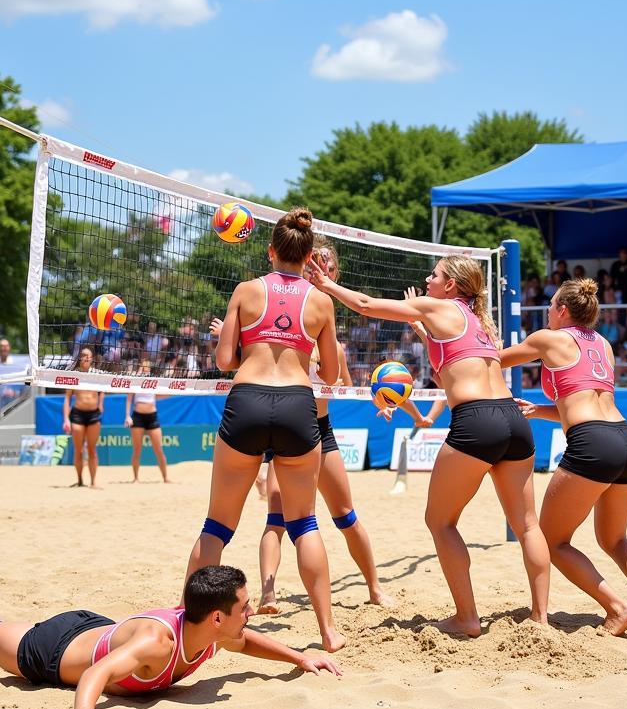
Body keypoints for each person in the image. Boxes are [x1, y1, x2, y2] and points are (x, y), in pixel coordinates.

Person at [306, 253, 551, 637]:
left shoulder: (437, 306)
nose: (427, 277)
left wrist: (327, 286)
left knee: (440, 521)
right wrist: (421, 328)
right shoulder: (481, 324)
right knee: (528, 525)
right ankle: (541, 619)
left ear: (450, 285)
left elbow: (367, 306)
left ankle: (468, 617)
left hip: (477, 421)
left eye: (434, 274)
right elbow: (449, 364)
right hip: (514, 419)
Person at [0, 565, 343, 709]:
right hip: (54, 652)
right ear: (217, 616)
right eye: (244, 607)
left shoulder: (214, 630)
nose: (250, 613)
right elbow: (97, 675)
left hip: (99, 629)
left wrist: (301, 657)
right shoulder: (159, 643)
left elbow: (248, 644)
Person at [187, 206, 345, 653]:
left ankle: (189, 625)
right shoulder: (321, 302)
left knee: (217, 524)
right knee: (304, 524)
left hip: (248, 400)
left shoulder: (246, 290)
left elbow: (223, 361)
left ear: (271, 251)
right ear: (309, 254)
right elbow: (330, 374)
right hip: (298, 406)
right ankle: (328, 630)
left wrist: (252, 351)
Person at [500, 278, 627, 635]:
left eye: (551, 306)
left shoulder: (547, 338)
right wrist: (539, 410)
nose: (548, 312)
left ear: (563, 310)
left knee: (551, 541)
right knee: (615, 539)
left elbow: (492, 361)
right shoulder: (603, 344)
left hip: (593, 444)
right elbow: (583, 401)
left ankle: (617, 607)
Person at [251, 239, 396, 614]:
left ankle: (374, 587)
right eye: (315, 262)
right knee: (277, 519)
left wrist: (377, 400)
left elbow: (344, 385)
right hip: (283, 429)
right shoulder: (277, 312)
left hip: (319, 429)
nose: (320, 269)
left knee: (345, 515)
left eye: (327, 266)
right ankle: (268, 594)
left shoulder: (330, 332)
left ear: (333, 275)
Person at [62, 346, 104, 488]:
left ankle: (93, 482)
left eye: (88, 355)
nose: (86, 357)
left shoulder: (97, 373)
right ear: (80, 358)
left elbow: (103, 390)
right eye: (83, 355)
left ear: (92, 358)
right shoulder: (73, 374)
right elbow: (67, 398)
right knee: (78, 449)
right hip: (78, 414)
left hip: (93, 415)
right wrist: (66, 419)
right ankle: (80, 480)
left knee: (92, 449)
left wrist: (100, 404)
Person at [124, 383, 170, 483]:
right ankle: (136, 478)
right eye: (143, 366)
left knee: (159, 450)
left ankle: (165, 478)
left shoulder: (154, 380)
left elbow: (160, 395)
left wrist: (173, 390)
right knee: (137, 450)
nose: (145, 366)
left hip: (152, 416)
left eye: (147, 366)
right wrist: (127, 416)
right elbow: (129, 398)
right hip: (138, 416)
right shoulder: (135, 380)